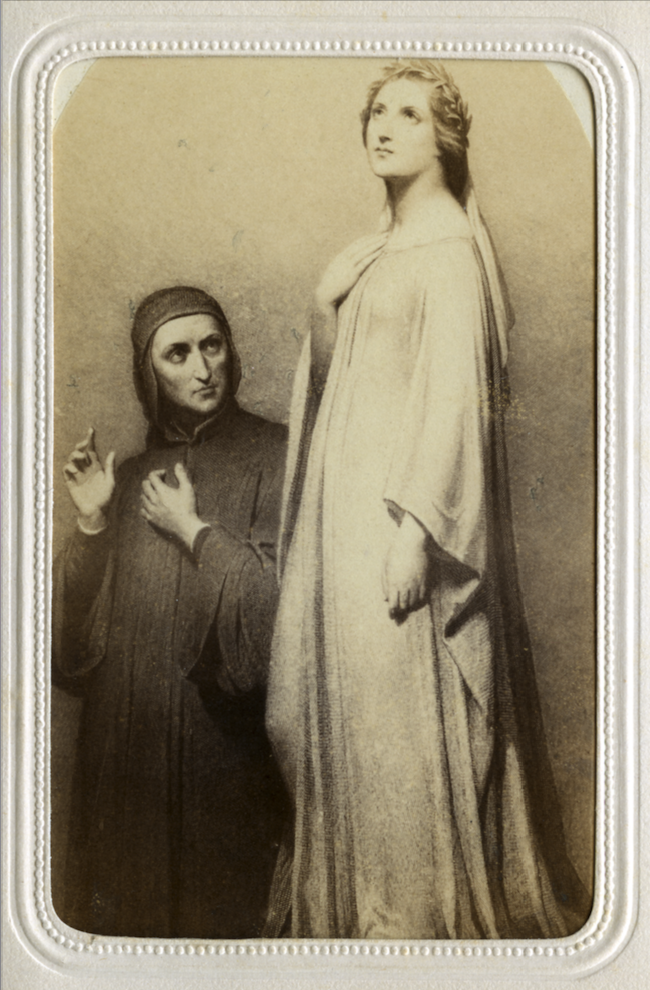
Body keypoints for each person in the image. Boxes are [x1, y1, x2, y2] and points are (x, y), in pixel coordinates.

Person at [264, 61, 590, 940]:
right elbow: (340, 387)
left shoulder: (449, 251)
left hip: (396, 527)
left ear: (444, 137)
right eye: (376, 111)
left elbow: (454, 403)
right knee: (310, 713)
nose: (383, 125)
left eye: (408, 113)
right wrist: (324, 309)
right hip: (339, 525)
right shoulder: (377, 251)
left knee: (394, 726)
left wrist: (416, 529)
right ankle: (350, 909)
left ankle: (405, 919)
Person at [53, 286, 289, 938]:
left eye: (212, 345)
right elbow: (69, 658)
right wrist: (93, 524)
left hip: (224, 755)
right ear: (148, 372)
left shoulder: (279, 454)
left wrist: (194, 532)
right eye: (177, 354)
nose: (203, 368)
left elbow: (280, 621)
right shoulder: (126, 477)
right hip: (126, 757)